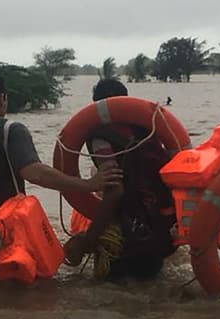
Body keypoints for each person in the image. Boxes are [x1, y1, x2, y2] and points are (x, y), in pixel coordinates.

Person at [0, 71, 122, 209]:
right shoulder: (10, 130)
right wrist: (88, 184)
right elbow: (35, 173)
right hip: (6, 233)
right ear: (2, 99)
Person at [63, 79, 177, 280]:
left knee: (114, 296)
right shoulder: (149, 130)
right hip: (156, 227)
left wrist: (89, 240)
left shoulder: (101, 137)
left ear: (95, 108)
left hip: (122, 234)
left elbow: (115, 190)